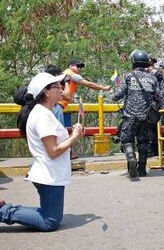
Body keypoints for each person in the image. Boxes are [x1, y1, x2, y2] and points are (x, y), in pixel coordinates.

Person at [0, 72, 83, 231]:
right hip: (48, 174)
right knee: (49, 221)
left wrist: (71, 131)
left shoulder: (44, 112)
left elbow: (53, 138)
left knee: (51, 216)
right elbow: (53, 151)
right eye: (57, 87)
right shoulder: (42, 115)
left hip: (51, 173)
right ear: (46, 92)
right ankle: (3, 212)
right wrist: (74, 137)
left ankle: (6, 209)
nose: (61, 90)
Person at [113, 50, 160, 178]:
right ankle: (142, 169)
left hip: (130, 116)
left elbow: (118, 95)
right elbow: (159, 97)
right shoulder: (152, 78)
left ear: (133, 61)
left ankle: (131, 157)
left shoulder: (129, 76)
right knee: (143, 141)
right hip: (146, 117)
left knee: (126, 139)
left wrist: (114, 96)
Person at [57, 59, 111, 159]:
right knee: (60, 132)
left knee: (61, 131)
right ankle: (66, 154)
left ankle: (68, 153)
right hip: (57, 106)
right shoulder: (70, 74)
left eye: (80, 67)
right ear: (71, 66)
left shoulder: (66, 74)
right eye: (78, 66)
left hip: (59, 105)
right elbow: (89, 84)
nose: (79, 69)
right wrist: (104, 88)